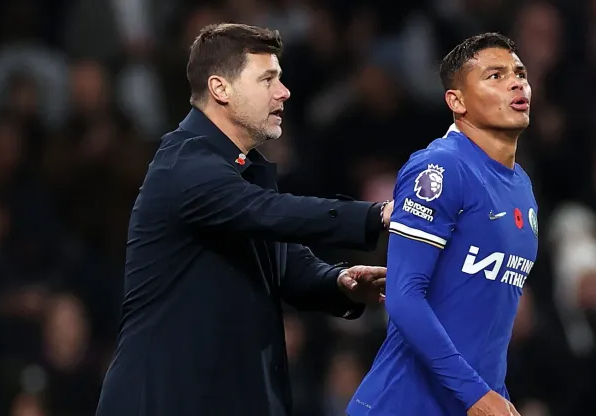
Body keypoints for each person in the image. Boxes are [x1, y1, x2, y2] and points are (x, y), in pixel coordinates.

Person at [96, 23, 394, 416]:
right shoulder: (184, 164)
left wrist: (339, 283)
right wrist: (376, 215)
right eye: (267, 79)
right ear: (221, 89)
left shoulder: (243, 170)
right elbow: (271, 213)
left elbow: (285, 262)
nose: (283, 91)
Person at [347, 32, 538, 416]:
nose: (516, 82)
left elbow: (488, 326)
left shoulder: (521, 185)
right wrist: (477, 396)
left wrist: (496, 394)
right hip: (400, 404)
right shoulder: (440, 168)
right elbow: (403, 296)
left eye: (519, 72)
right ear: (457, 101)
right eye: (495, 76)